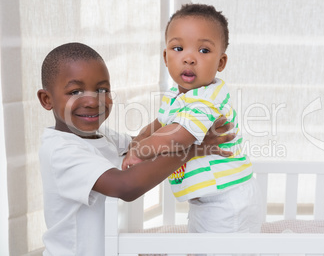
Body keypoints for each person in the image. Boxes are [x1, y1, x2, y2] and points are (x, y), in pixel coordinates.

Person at [36, 42, 235, 255]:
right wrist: (191, 149)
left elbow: (143, 144)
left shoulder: (103, 137)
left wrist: (188, 127)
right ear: (47, 99)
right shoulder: (61, 150)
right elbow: (126, 186)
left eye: (102, 89)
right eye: (75, 91)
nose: (93, 101)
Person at [123, 4, 265, 233]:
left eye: (204, 51)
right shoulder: (175, 96)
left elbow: (175, 139)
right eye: (178, 48)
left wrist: (138, 151)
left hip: (228, 200)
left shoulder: (205, 101)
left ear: (221, 62)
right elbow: (158, 126)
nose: (189, 58)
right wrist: (138, 140)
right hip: (207, 199)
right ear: (165, 57)